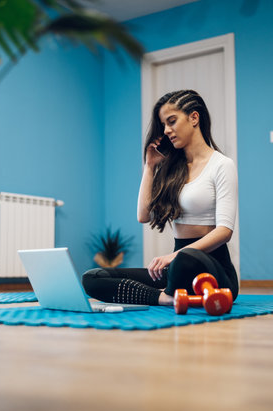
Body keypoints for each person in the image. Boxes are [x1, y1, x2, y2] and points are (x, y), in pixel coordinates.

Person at [82, 89, 239, 306]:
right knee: (92, 278)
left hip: (211, 268)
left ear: (194, 117)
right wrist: (150, 166)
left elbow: (224, 232)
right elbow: (143, 215)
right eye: (163, 125)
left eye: (171, 121)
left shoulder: (222, 165)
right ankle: (167, 297)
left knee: (184, 259)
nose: (166, 130)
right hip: (175, 267)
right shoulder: (172, 169)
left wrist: (173, 257)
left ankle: (174, 290)